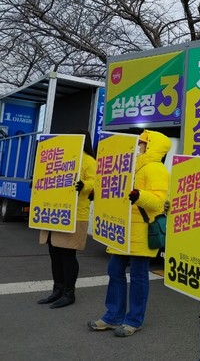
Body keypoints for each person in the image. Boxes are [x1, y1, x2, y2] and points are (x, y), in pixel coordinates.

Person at [88, 129, 171, 337]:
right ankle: (113, 316)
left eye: (142, 142)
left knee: (138, 276)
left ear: (151, 146)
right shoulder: (130, 165)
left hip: (141, 231)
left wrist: (139, 195)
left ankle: (134, 320)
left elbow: (160, 201)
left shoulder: (155, 169)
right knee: (114, 270)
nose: (138, 145)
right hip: (122, 229)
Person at [37, 129, 96, 309]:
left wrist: (84, 185)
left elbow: (96, 183)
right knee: (54, 253)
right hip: (54, 212)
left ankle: (69, 293)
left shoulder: (89, 161)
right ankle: (57, 289)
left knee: (67, 255)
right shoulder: (62, 157)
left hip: (75, 215)